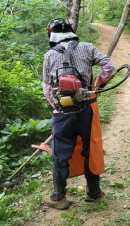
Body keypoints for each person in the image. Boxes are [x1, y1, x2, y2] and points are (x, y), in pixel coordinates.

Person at [41, 18, 115, 209]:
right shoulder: (88, 47)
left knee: (60, 152)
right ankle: (93, 192)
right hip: (87, 108)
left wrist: (57, 105)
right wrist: (98, 86)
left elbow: (47, 87)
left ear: (52, 34)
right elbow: (109, 66)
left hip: (62, 112)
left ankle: (58, 197)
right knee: (90, 148)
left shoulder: (49, 55)